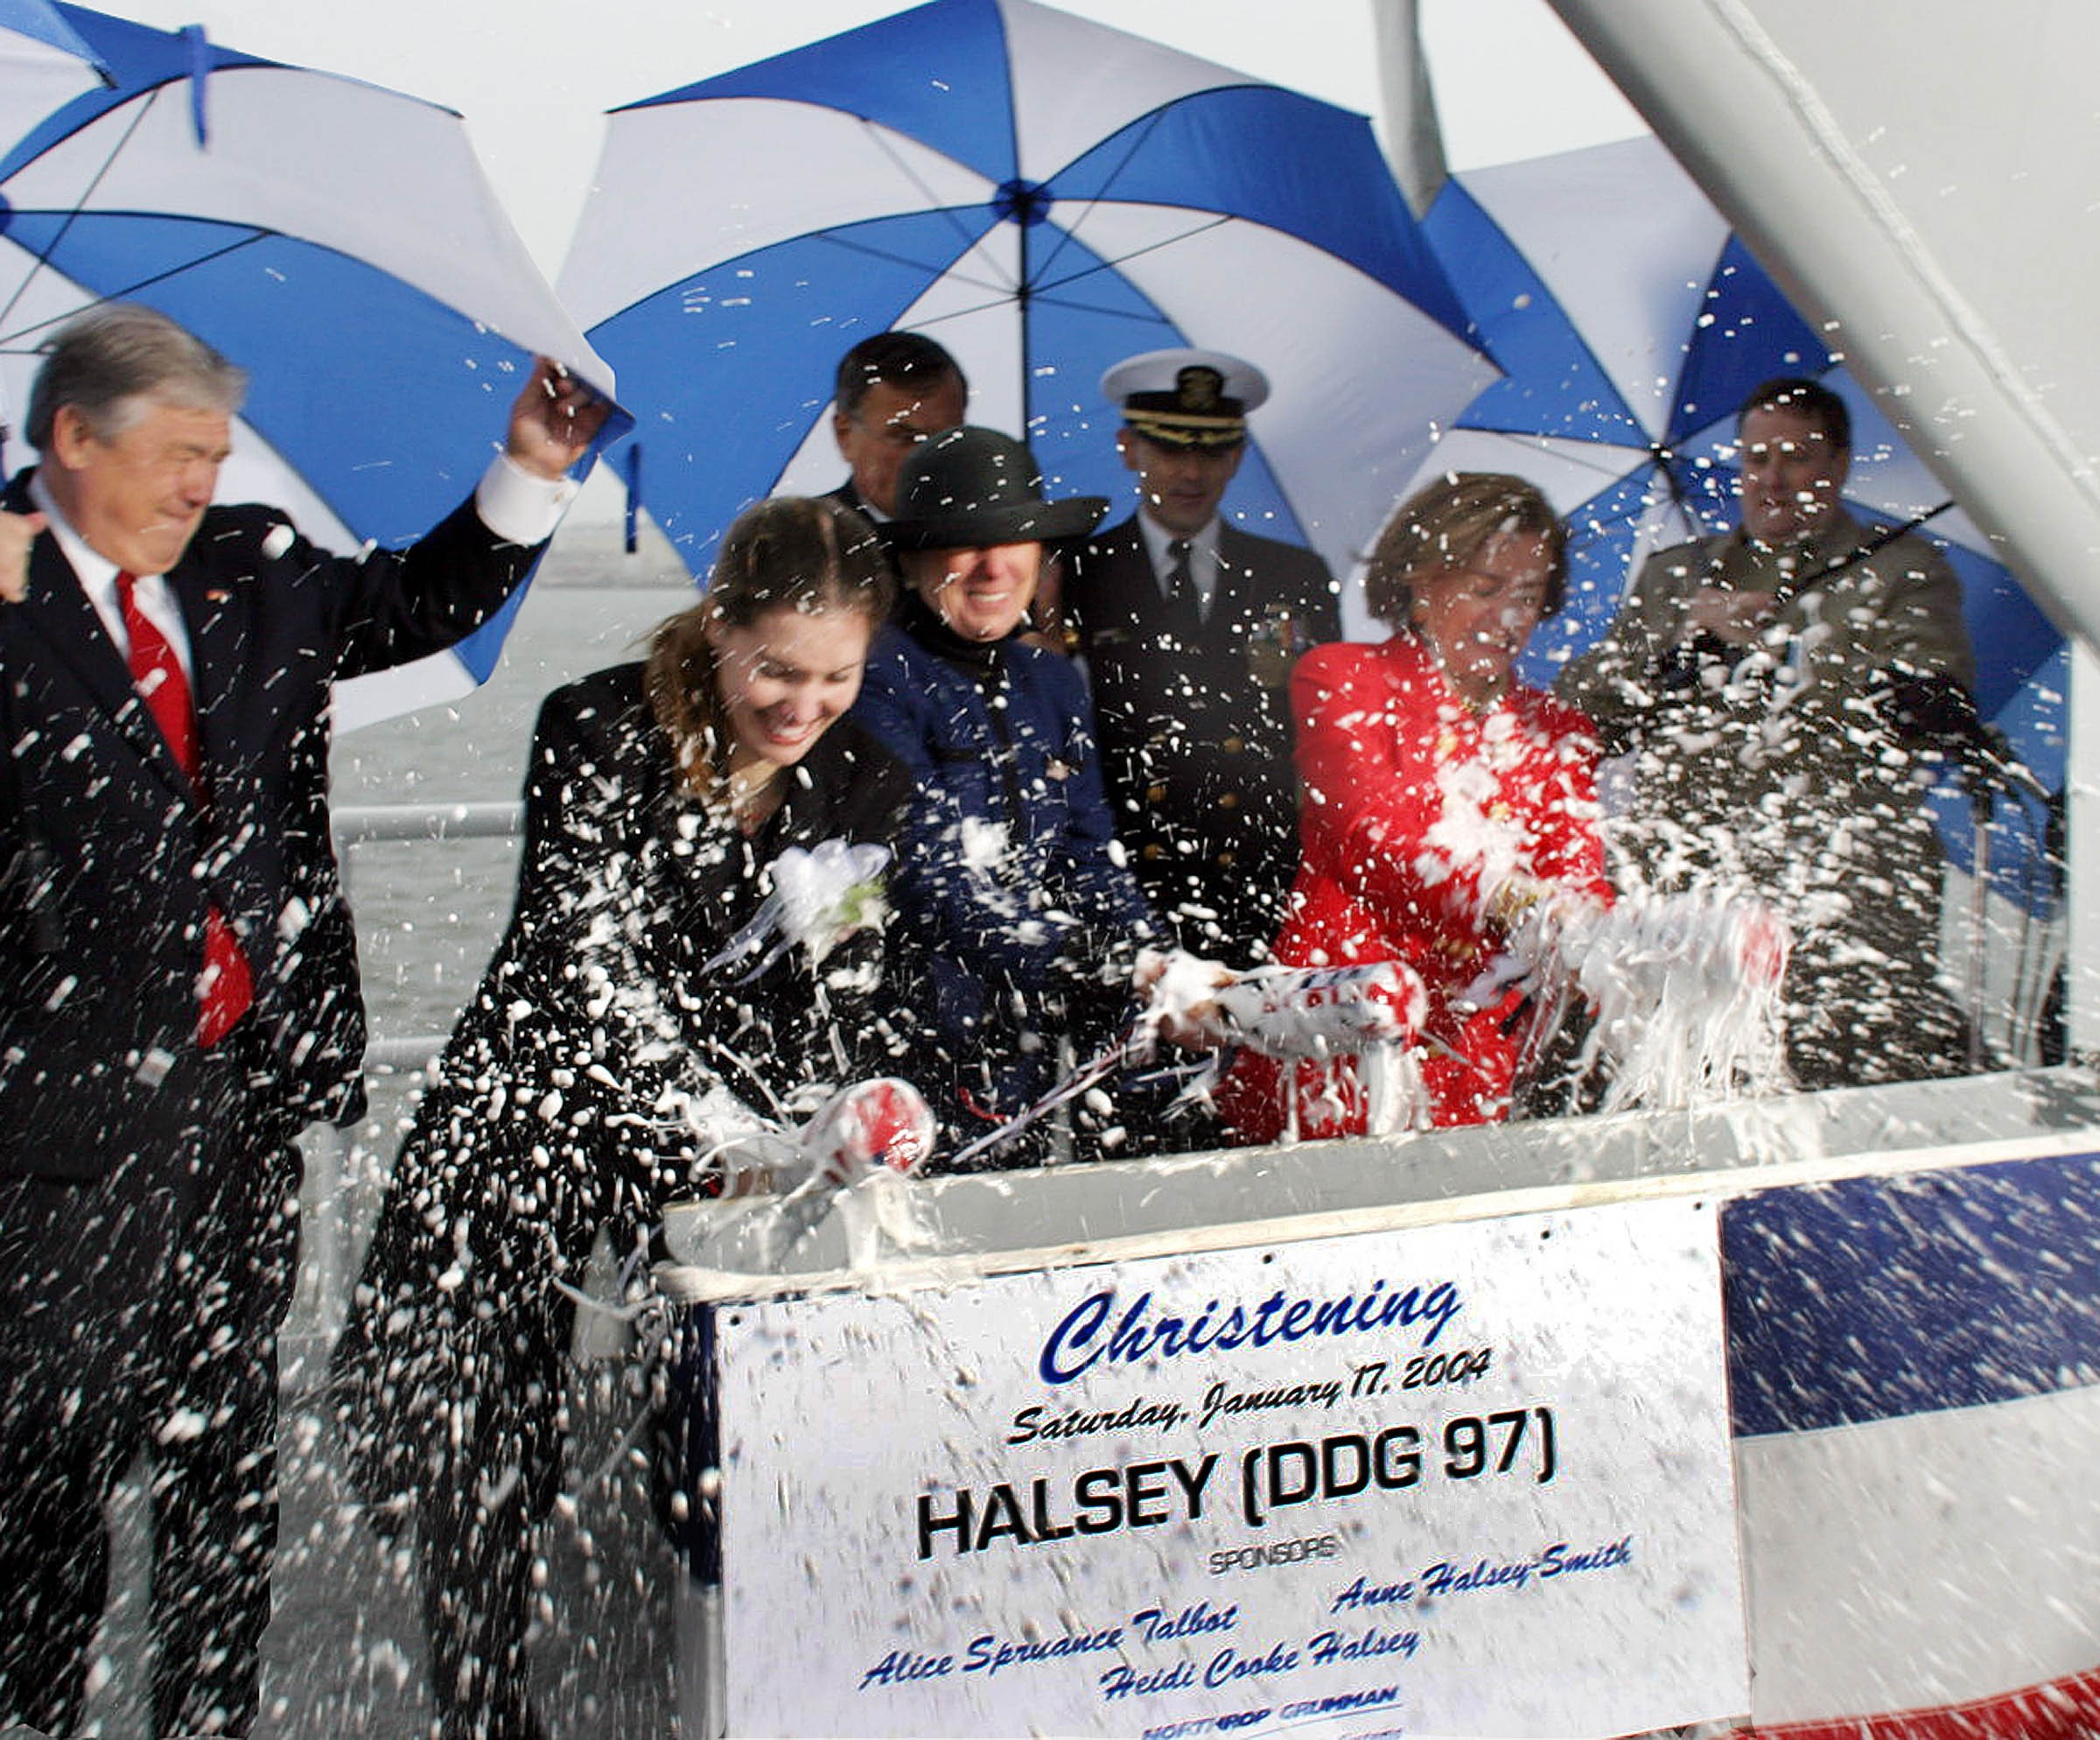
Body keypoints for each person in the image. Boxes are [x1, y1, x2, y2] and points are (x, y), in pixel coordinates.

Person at [0, 302, 605, 1738]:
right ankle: (33, 1704)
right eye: (175, 454)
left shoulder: (249, 566)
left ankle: (207, 1712)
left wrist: (526, 466)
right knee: (48, 1459)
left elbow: (420, 604)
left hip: (247, 1101)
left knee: (228, 1449)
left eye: (214, 451)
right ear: (72, 438)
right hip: (52, 1130)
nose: (201, 482)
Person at [332, 495, 911, 1739]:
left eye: (835, 677)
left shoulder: (869, 777)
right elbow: (580, 963)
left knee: (727, 1427)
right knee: (490, 1442)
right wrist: (717, 1132)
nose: (802, 706)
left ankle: (745, 1687)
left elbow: (843, 985)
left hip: (730, 1155)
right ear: (720, 627)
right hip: (534, 1110)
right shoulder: (596, 726)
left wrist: (838, 1115)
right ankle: (485, 1705)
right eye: (775, 670)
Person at [1557, 376, 1978, 1089]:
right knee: (1684, 1089)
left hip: (1846, 893)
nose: (1773, 481)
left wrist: (1813, 652)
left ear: (1840, 464)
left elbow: (1932, 707)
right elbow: (1583, 713)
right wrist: (1686, 646)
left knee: (1847, 1093)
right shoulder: (1677, 577)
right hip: (1694, 895)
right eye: (1756, 461)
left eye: (1797, 458)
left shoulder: (1904, 567)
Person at [1216, 473, 1611, 1139]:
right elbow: (1370, 835)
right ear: (1422, 585)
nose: (1510, 618)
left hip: (1472, 1067)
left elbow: (1579, 880)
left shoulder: (1558, 731)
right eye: (1486, 590)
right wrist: (1515, 900)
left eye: (1530, 596)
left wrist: (1609, 941)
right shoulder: (1343, 677)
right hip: (1334, 1049)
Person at [850, 424, 1179, 1161]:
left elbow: (1089, 858)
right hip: (908, 1046)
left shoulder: (1052, 684)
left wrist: (1160, 961)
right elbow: (926, 883)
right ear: (910, 560)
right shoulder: (873, 679)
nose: (995, 566)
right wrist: (1093, 961)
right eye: (965, 543)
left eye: (1017, 539)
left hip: (1027, 1049)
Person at [1058, 347, 1338, 964]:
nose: (1191, 472)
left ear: (1236, 456)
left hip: (1260, 878)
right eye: (1169, 449)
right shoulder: (1075, 574)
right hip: (1128, 876)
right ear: (1128, 447)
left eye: (1211, 451)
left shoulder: (1293, 576)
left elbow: (1322, 736)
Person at [825, 329, 969, 524]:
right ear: (845, 436)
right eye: (906, 438)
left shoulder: (1000, 539)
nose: (927, 458)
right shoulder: (813, 545)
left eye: (946, 439)